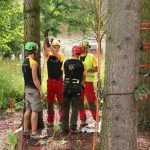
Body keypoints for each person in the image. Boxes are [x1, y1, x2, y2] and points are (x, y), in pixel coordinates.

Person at [61, 45, 87, 135]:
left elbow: (64, 73)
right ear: (80, 53)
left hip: (66, 85)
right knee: (75, 107)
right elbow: (84, 76)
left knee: (65, 107)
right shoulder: (82, 64)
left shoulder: (65, 62)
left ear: (72, 52)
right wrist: (81, 83)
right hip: (76, 86)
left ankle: (64, 128)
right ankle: (73, 127)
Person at [22, 42, 44, 139]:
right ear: (34, 50)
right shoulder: (33, 63)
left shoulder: (24, 62)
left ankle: (25, 131)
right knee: (35, 111)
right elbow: (35, 79)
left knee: (28, 110)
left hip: (27, 89)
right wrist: (40, 91)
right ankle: (34, 132)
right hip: (33, 90)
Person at [44, 39, 64, 126]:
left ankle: (62, 119)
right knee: (49, 101)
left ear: (59, 48)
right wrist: (45, 40)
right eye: (54, 47)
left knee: (61, 101)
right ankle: (50, 120)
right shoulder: (48, 55)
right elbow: (45, 49)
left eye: (57, 47)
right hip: (50, 81)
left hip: (59, 82)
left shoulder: (61, 55)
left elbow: (55, 53)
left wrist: (49, 46)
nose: (55, 48)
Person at [79, 40, 98, 128]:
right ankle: (83, 120)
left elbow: (96, 69)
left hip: (88, 82)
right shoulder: (76, 57)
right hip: (79, 82)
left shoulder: (91, 57)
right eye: (82, 46)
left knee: (91, 101)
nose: (83, 48)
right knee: (80, 101)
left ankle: (97, 119)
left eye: (85, 47)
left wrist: (87, 70)